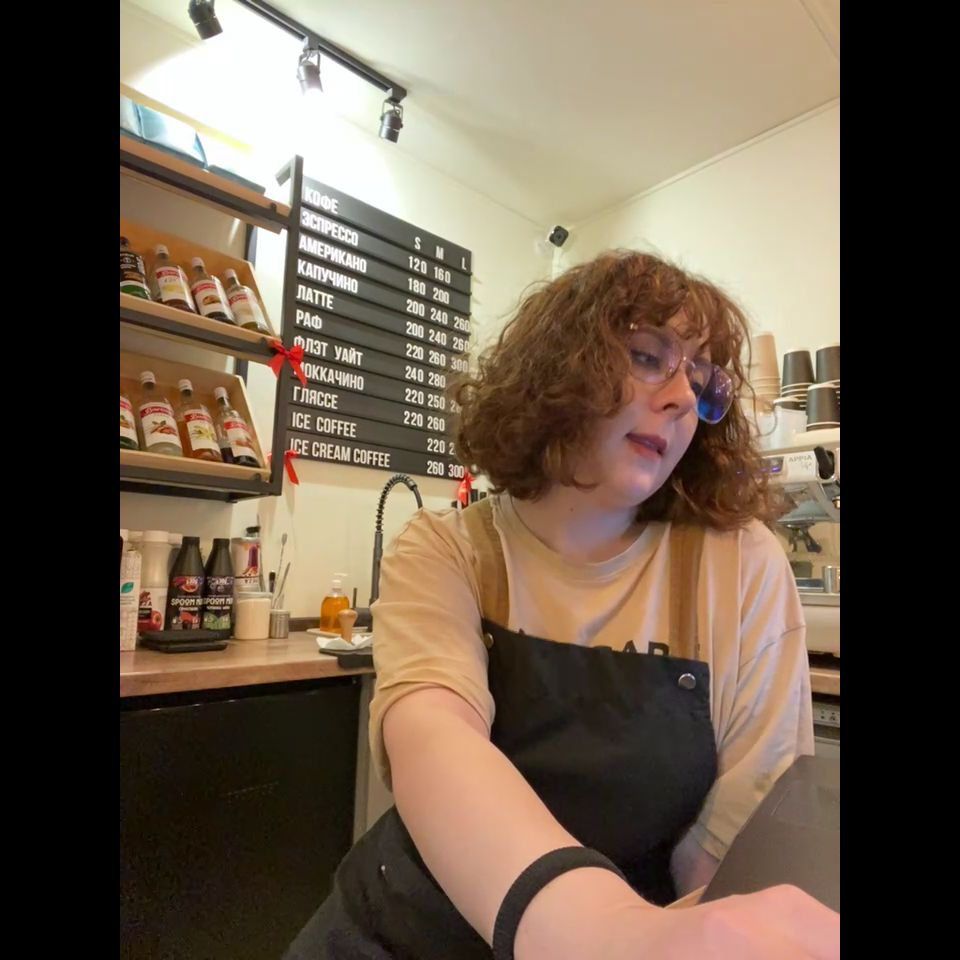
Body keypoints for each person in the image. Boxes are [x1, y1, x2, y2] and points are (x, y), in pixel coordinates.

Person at [285, 250, 840, 959]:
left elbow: (728, 850)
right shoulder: (447, 549)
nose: (680, 398)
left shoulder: (740, 566)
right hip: (399, 933)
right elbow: (433, 740)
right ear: (559, 366)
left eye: (699, 381)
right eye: (648, 356)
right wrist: (597, 932)